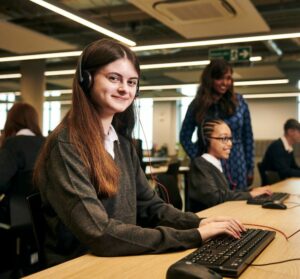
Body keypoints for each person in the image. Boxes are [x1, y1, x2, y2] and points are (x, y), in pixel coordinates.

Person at [33, 38, 245, 267]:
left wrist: (199, 223)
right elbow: (100, 233)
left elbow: (151, 207)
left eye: (132, 82)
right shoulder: (66, 145)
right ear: (86, 79)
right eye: (114, 78)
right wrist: (194, 236)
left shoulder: (122, 145)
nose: (125, 89)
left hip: (122, 259)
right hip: (79, 267)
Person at [180, 59, 254, 190]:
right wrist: (198, 159)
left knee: (238, 203)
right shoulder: (198, 104)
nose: (225, 83)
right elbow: (184, 136)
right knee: (212, 204)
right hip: (208, 164)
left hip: (237, 161)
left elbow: (247, 137)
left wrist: (250, 166)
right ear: (210, 79)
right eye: (220, 78)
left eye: (229, 78)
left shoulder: (240, 102)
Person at [188, 119, 272, 212]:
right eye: (224, 138)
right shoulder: (200, 164)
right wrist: (250, 194)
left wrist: (251, 191)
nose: (230, 144)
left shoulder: (216, 163)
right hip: (207, 221)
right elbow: (215, 198)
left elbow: (226, 193)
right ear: (207, 140)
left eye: (230, 139)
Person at [0, 102, 45, 223]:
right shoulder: (47, 143)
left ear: (10, 121)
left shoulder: (13, 144)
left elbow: (1, 181)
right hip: (45, 217)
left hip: (16, 216)